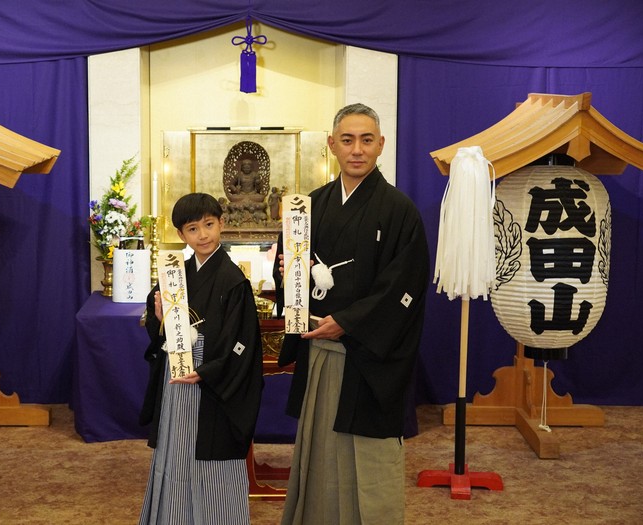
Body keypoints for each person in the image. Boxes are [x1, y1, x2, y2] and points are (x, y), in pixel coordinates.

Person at [274, 103, 430, 525]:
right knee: (319, 452)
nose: (356, 150)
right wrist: (287, 273)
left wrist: (349, 321)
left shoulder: (399, 211)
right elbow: (290, 268)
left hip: (367, 359)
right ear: (331, 145)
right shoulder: (309, 206)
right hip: (318, 351)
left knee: (368, 458)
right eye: (347, 140)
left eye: (366, 140)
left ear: (381, 145)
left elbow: (405, 285)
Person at [138, 193, 264, 525]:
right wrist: (158, 316)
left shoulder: (233, 280)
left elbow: (243, 343)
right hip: (177, 373)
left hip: (213, 381)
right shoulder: (174, 274)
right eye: (193, 229)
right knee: (174, 453)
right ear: (181, 235)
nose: (203, 235)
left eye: (209, 225)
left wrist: (208, 371)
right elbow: (158, 331)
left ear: (221, 223)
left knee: (212, 460)